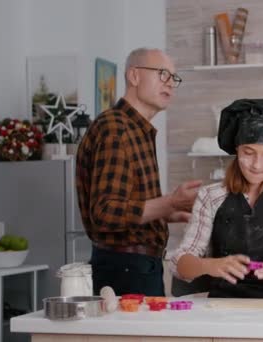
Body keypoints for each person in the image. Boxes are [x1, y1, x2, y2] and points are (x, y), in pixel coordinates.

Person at [76, 48, 202, 296]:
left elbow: (126, 206)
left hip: (138, 267)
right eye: (163, 74)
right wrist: (168, 202)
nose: (171, 84)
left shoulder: (136, 130)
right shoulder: (116, 128)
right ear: (134, 76)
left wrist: (167, 212)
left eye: (174, 78)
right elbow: (105, 213)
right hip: (124, 270)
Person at [171, 98, 263, 298]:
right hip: (223, 309)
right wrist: (209, 265)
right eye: (248, 153)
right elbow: (179, 264)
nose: (257, 165)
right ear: (236, 150)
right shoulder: (210, 197)